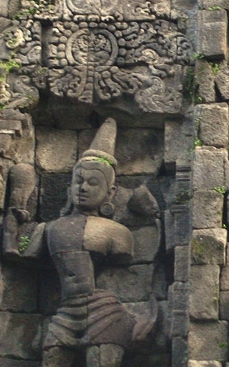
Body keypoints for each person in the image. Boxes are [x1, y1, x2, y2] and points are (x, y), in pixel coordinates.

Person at [17, 118, 155, 367]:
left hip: (104, 312)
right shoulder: (49, 229)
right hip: (65, 311)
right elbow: (22, 256)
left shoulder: (117, 233)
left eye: (93, 183)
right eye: (78, 181)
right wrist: (12, 219)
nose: (83, 188)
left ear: (111, 192)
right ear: (69, 187)